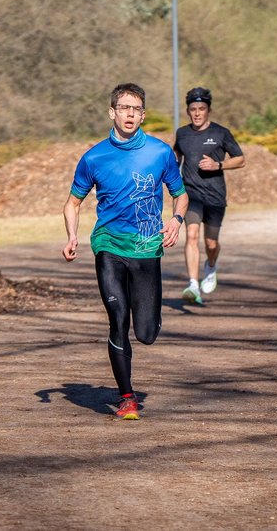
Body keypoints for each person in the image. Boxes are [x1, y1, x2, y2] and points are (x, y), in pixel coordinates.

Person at [62, 82, 188, 420]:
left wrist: (176, 219)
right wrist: (73, 235)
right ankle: (127, 397)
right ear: (112, 112)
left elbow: (181, 193)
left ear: (143, 115)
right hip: (109, 245)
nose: (130, 114)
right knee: (117, 319)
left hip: (147, 248)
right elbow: (73, 203)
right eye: (124, 108)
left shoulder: (160, 153)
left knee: (145, 333)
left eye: (136, 109)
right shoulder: (94, 157)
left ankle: (146, 326)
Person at [172, 87, 246, 305]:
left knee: (211, 244)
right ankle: (193, 284)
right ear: (188, 111)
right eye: (193, 109)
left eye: (201, 109)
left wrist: (218, 164)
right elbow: (176, 157)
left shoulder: (221, 133)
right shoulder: (182, 134)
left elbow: (240, 159)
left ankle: (211, 267)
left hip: (214, 195)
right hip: (190, 194)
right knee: (192, 236)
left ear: (208, 110)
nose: (197, 113)